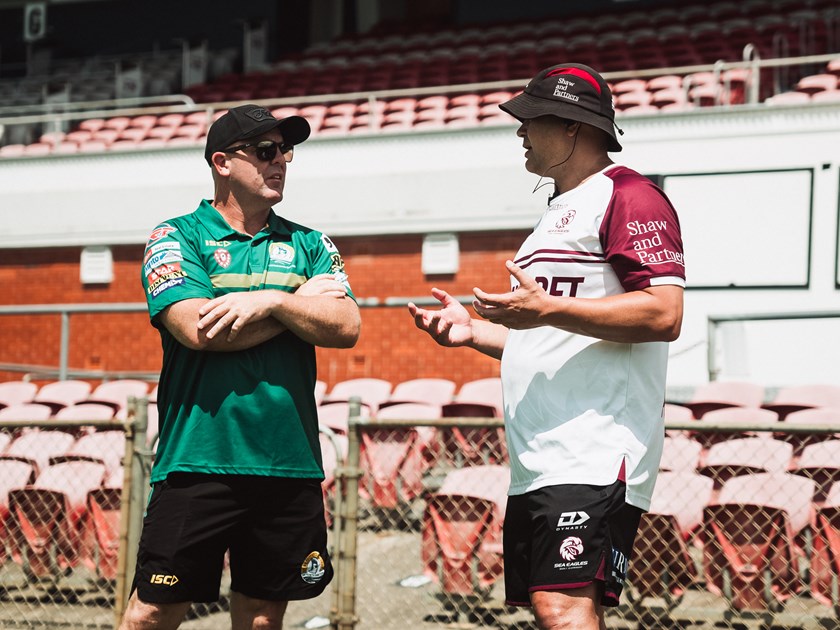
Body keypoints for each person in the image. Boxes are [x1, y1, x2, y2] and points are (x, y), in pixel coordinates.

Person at [408, 63, 685, 630]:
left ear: (574, 128)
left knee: (564, 608)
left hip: (596, 445)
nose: (520, 134)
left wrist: (549, 309)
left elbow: (664, 312)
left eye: (530, 122)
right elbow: (547, 337)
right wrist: (473, 332)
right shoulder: (556, 213)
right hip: (540, 457)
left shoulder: (631, 196)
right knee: (549, 606)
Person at [123, 104, 361, 629]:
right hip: (197, 460)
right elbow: (197, 329)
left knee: (260, 619)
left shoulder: (310, 242)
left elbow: (345, 327)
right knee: (151, 613)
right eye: (267, 151)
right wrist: (299, 301)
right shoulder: (176, 236)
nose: (281, 162)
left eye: (286, 151)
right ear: (222, 162)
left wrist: (272, 302)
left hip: (287, 462)